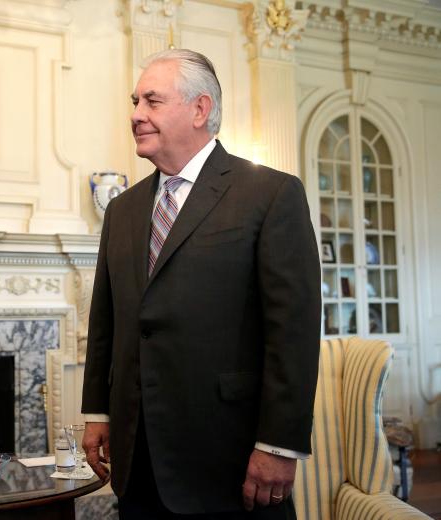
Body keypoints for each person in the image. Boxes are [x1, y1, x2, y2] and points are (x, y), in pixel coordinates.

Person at [81, 49, 321, 519]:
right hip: (137, 461)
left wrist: (278, 444)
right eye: (135, 102)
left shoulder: (270, 194)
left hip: (229, 461)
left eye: (152, 101)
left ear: (200, 109)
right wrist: (98, 413)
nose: (136, 114)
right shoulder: (122, 209)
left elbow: (292, 333)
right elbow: (105, 321)